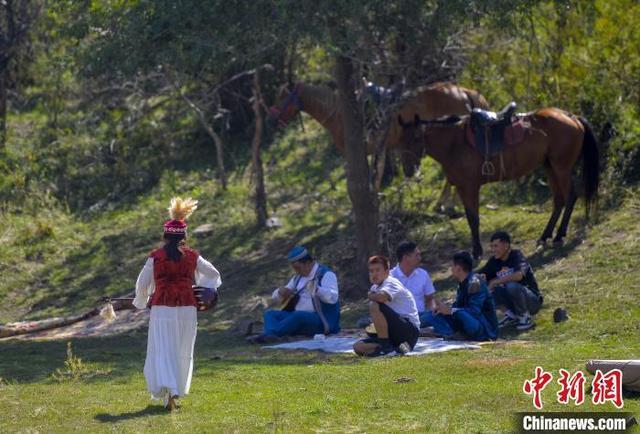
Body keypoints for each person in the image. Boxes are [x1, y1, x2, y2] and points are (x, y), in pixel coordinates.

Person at [133, 197, 222, 411]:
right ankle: (174, 392)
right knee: (182, 348)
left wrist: (143, 299)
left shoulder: (155, 257)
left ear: (164, 236)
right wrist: (203, 288)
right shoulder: (193, 256)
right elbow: (214, 274)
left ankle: (168, 392)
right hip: (186, 308)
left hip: (162, 308)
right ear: (184, 236)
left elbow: (142, 283)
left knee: (163, 348)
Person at [247, 246, 340, 343]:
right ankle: (271, 336)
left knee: (298, 316)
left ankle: (270, 335)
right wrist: (280, 292)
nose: (296, 271)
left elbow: (333, 298)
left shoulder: (326, 274)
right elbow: (275, 296)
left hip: (321, 320)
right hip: (298, 318)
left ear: (308, 263)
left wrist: (317, 290)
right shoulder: (298, 278)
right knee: (270, 314)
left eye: (298, 268)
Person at [353, 255, 420, 357]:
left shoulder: (391, 282)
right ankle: (395, 350)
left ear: (387, 271)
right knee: (358, 347)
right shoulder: (375, 287)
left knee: (374, 305)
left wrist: (370, 295)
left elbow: (381, 298)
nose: (374, 274)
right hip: (395, 336)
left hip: (409, 332)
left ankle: (385, 348)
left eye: (377, 270)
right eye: (371, 271)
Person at [422, 251, 498, 341]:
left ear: (458, 268)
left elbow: (474, 311)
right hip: (467, 321)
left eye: (452, 266)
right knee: (430, 315)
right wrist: (443, 309)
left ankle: (449, 333)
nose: (451, 269)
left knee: (458, 314)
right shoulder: (463, 284)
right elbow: (459, 307)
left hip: (484, 329)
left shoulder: (475, 283)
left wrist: (451, 310)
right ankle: (412, 326)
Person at [476, 231, 543, 331]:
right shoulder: (494, 261)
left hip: (532, 302)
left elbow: (519, 276)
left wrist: (495, 282)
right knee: (486, 287)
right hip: (513, 302)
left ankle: (525, 317)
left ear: (506, 245)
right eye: (492, 246)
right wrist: (479, 278)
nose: (493, 250)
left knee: (511, 285)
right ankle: (511, 315)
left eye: (496, 246)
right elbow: (480, 275)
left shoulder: (517, 256)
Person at [390, 241, 436, 328]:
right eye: (416, 255)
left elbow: (430, 299)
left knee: (434, 316)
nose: (420, 258)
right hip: (398, 317)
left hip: (419, 316)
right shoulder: (390, 277)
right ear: (405, 258)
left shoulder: (423, 275)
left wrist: (433, 309)